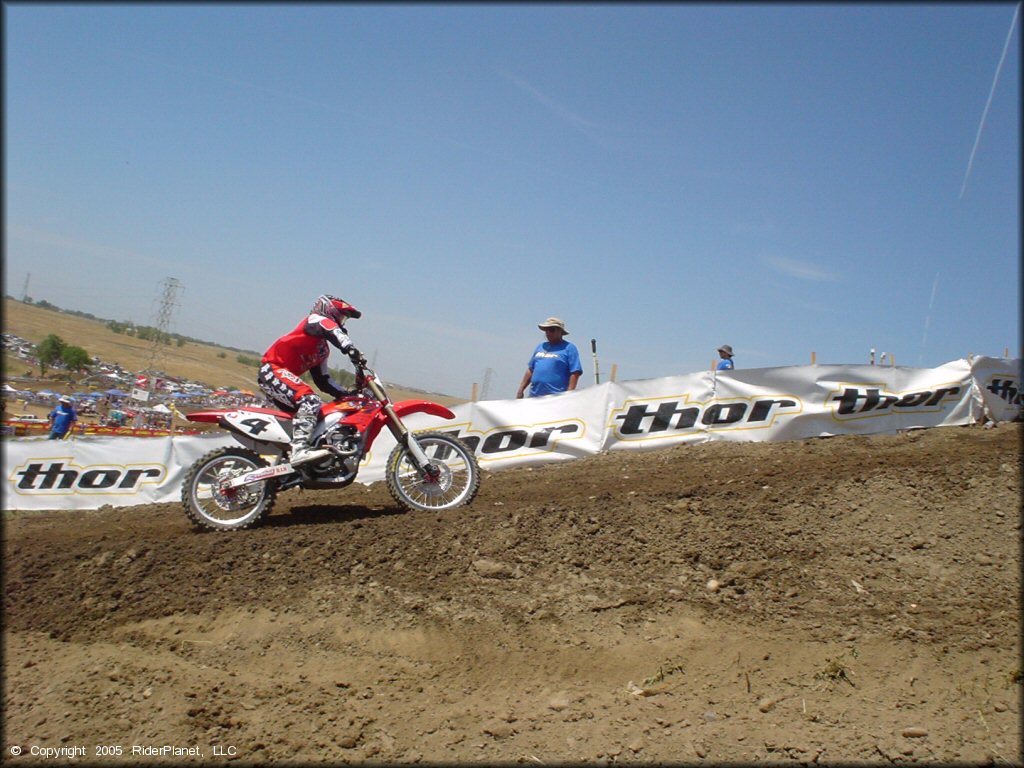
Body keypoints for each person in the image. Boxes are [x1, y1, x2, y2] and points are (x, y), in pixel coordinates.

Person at [259, 295, 366, 464]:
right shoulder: (314, 321)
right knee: (310, 400)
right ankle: (299, 450)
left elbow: (323, 380)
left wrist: (346, 394)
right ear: (328, 310)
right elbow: (330, 329)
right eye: (341, 316)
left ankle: (286, 462)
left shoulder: (322, 349)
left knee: (316, 414)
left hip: (281, 376)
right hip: (272, 370)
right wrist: (349, 348)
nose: (342, 322)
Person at [516, 317, 583, 398]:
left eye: (551, 329)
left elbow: (575, 372)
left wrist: (568, 394)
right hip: (535, 396)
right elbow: (531, 369)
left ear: (560, 331)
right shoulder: (540, 347)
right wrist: (521, 388)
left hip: (556, 397)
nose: (548, 332)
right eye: (546, 330)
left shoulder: (569, 348)